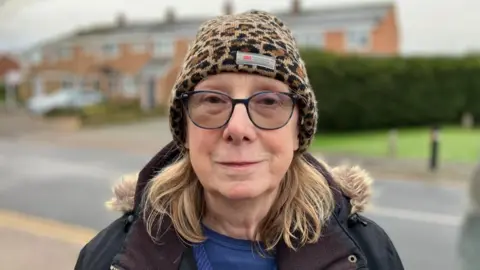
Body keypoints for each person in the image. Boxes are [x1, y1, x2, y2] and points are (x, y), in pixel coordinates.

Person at [75, 10, 404, 270]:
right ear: (185, 129)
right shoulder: (109, 259)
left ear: (298, 131)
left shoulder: (368, 255)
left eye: (269, 102)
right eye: (214, 101)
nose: (238, 127)